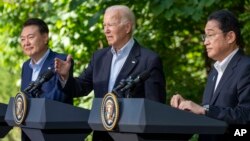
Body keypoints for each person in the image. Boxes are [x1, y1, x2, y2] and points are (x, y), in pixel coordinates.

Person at [55, 5, 166, 141]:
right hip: (102, 136)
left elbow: (155, 108)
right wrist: (66, 76)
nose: (106, 30)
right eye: (104, 26)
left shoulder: (149, 60)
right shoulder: (99, 57)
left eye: (111, 25)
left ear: (127, 28)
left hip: (133, 136)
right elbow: (80, 88)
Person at [170, 10, 250, 141]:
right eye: (205, 37)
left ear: (230, 37)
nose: (205, 42)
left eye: (210, 35)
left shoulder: (246, 67)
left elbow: (246, 115)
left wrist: (204, 110)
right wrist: (187, 108)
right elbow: (209, 113)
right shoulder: (214, 72)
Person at [20, 18, 73, 140]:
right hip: (29, 134)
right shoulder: (25, 67)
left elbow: (58, 98)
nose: (26, 42)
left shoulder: (61, 61)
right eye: (22, 39)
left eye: (30, 37)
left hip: (53, 134)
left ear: (45, 38)